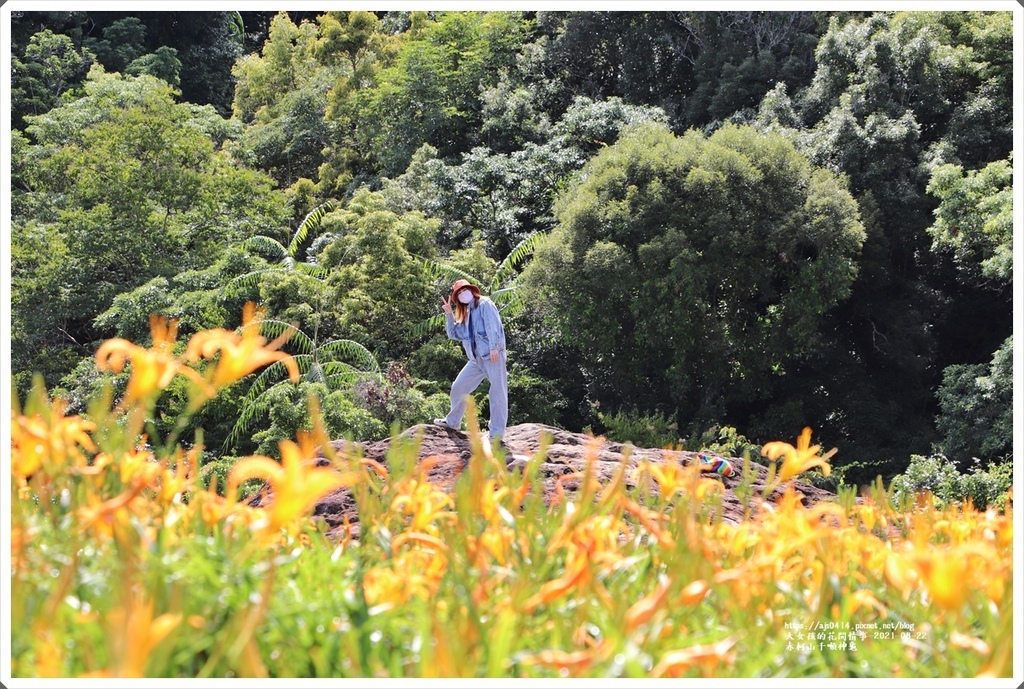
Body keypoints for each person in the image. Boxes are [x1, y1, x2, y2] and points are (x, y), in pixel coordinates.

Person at [433, 279, 508, 449]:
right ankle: (452, 422)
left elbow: (492, 325)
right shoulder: (466, 312)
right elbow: (454, 334)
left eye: (464, 290)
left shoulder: (484, 304)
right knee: (459, 386)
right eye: (458, 293)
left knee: (497, 393)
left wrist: (494, 347)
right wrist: (449, 314)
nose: (462, 294)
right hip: (476, 359)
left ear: (472, 290)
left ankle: (496, 434)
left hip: (492, 355)